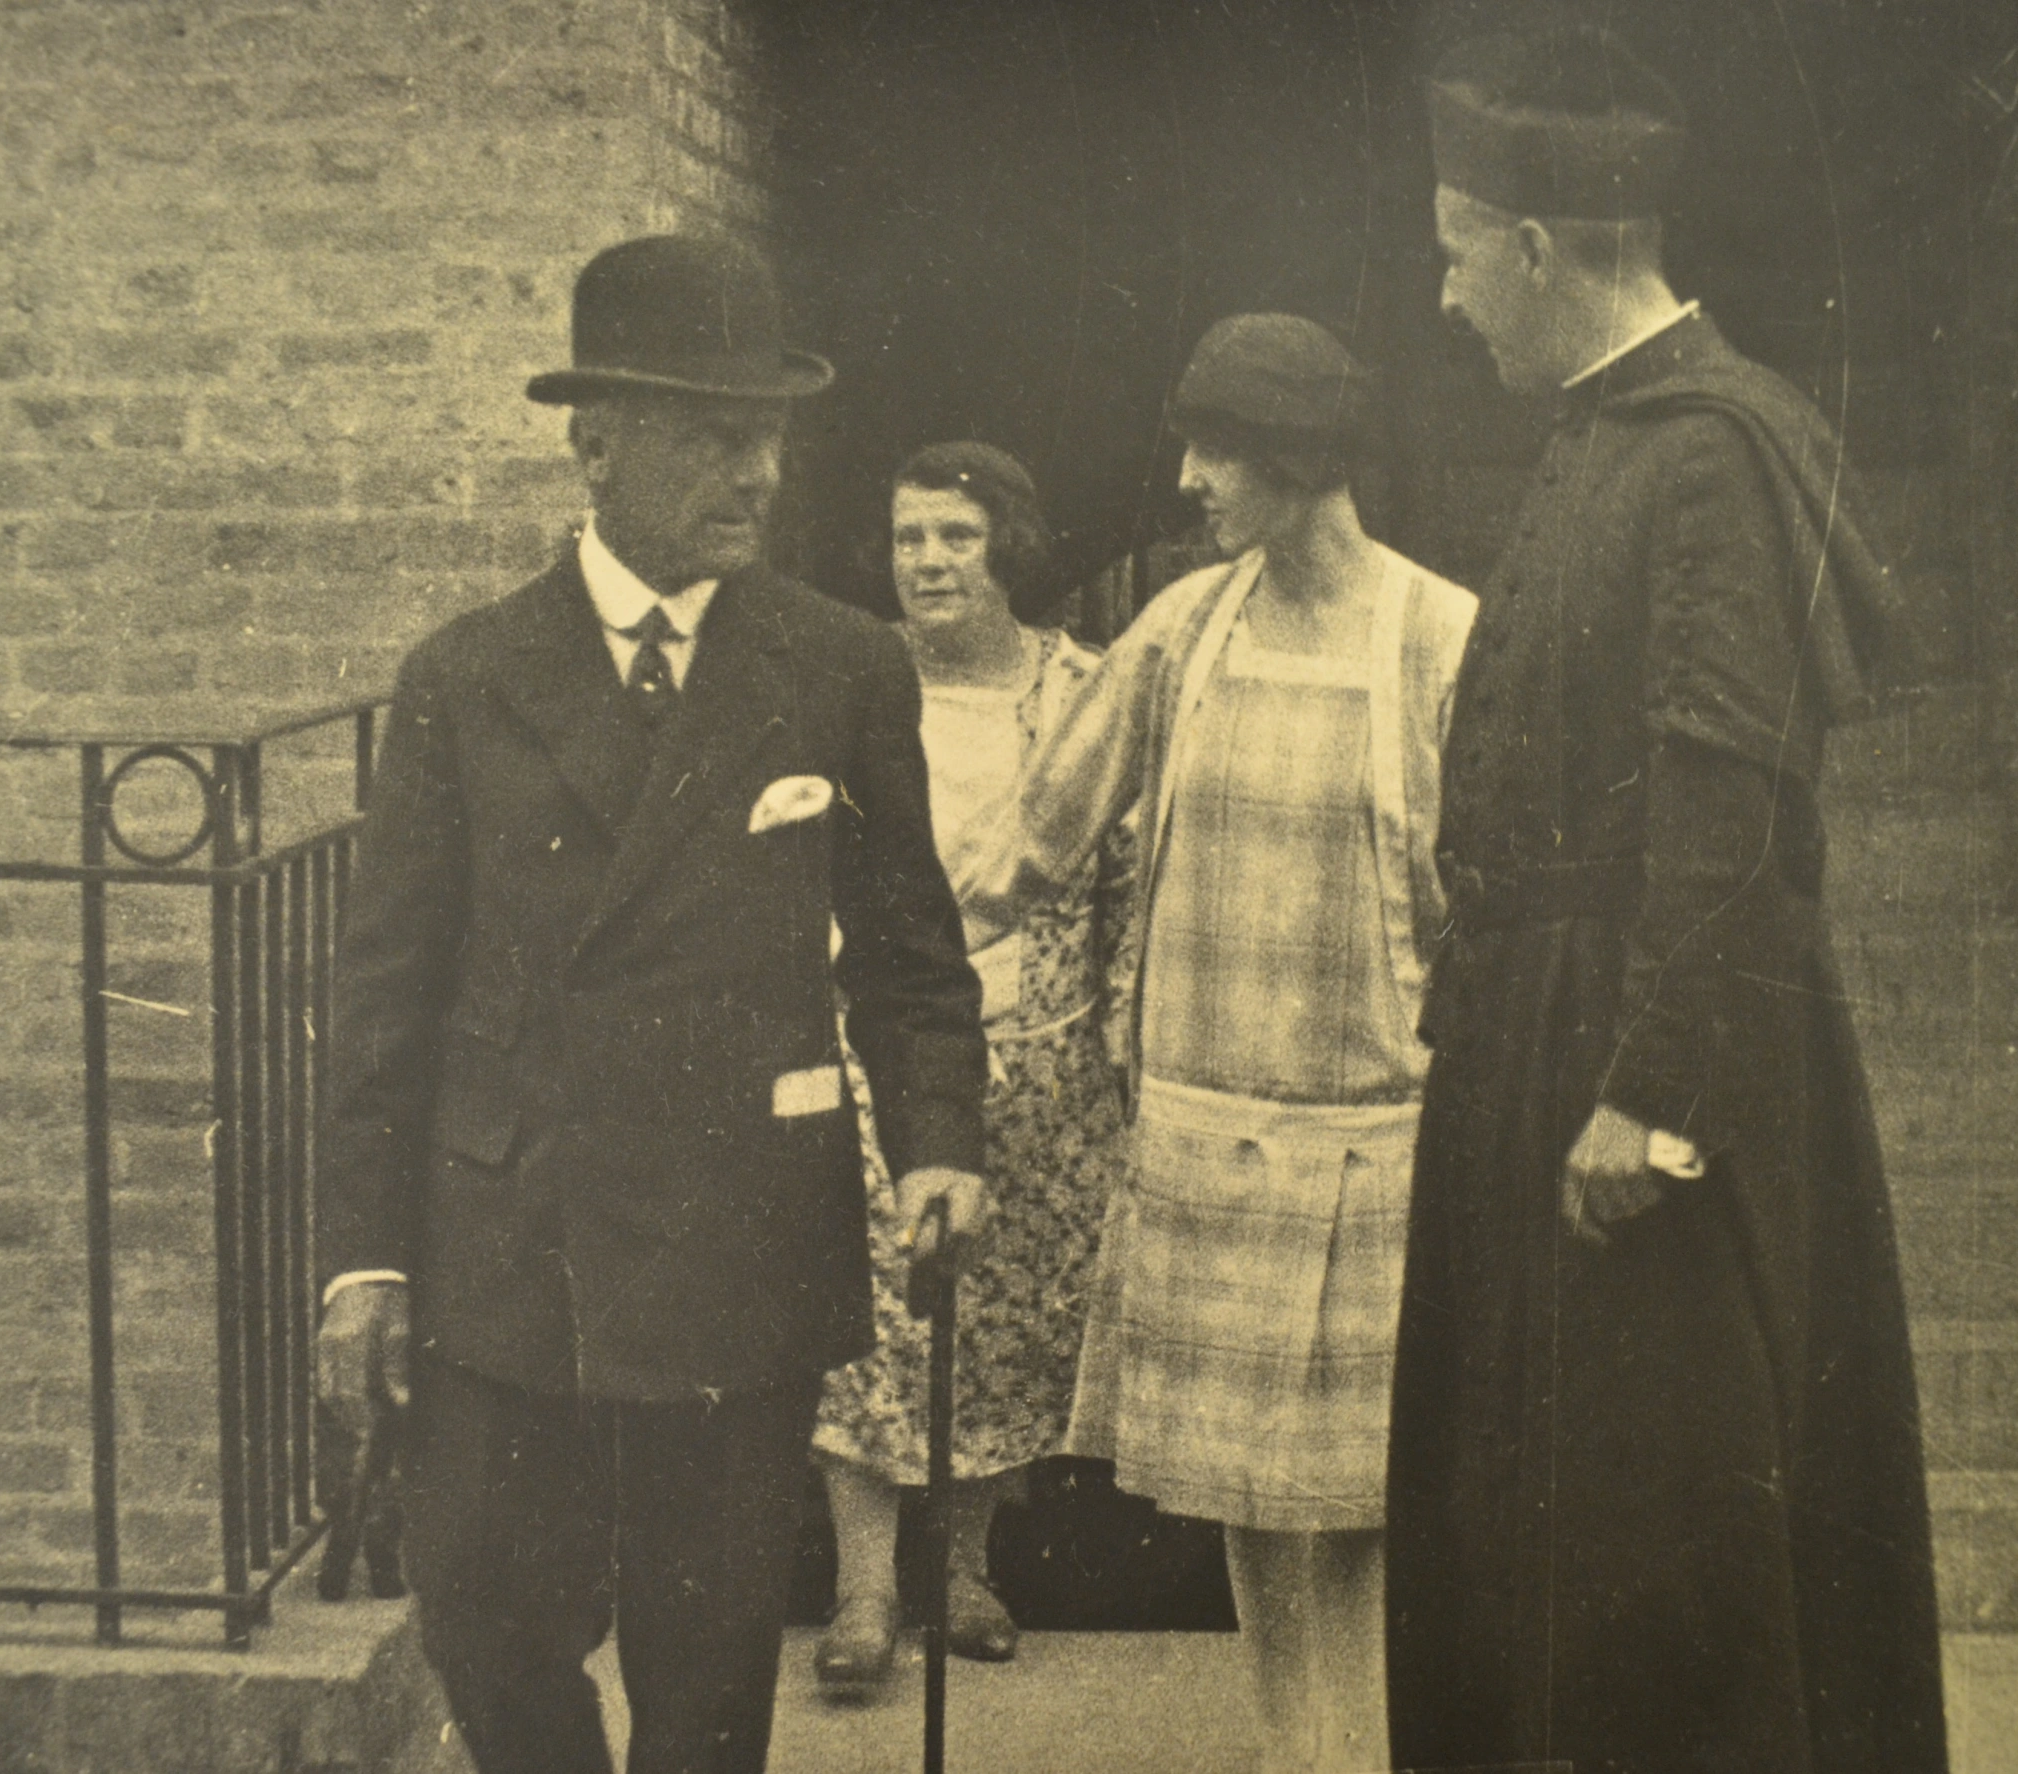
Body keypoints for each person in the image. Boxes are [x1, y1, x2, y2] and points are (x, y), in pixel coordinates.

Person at [311, 233, 991, 1774]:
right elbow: (382, 999)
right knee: (479, 1608)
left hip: (733, 1228)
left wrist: (944, 1133)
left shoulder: (836, 667)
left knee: (704, 1670)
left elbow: (907, 953)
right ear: (597, 441)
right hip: (507, 1234)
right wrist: (361, 1257)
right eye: (709, 434)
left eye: (766, 436)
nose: (754, 473)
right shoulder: (466, 676)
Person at [1383, 27, 1949, 1774]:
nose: (1454, 298)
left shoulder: (1704, 449)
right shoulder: (1606, 428)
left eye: (1460, 256)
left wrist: (1655, 1096)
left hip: (1637, 1091)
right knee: (1534, 1546)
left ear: (1539, 250)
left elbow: (1730, 811)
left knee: (1660, 1566)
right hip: (1537, 1045)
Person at [958, 315, 1478, 1774]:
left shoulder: (1440, 634)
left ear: (1299, 461)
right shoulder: (1185, 627)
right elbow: (1033, 842)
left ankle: (1354, 1748)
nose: (1187, 478)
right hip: (1202, 1120)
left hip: (1377, 1127)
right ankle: (1286, 1742)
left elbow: (1498, 899)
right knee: (1251, 1493)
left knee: (1362, 1489)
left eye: (1217, 450)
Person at [808, 441, 1137, 1692]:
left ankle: (961, 1569)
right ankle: (861, 1590)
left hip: (1035, 1058)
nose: (930, 561)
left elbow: (1118, 873)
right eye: (908, 539)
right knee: (867, 1320)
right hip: (866, 1050)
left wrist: (1113, 1040)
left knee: (1000, 1317)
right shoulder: (848, 678)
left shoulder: (1083, 691)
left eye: (956, 535)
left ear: (1009, 544)